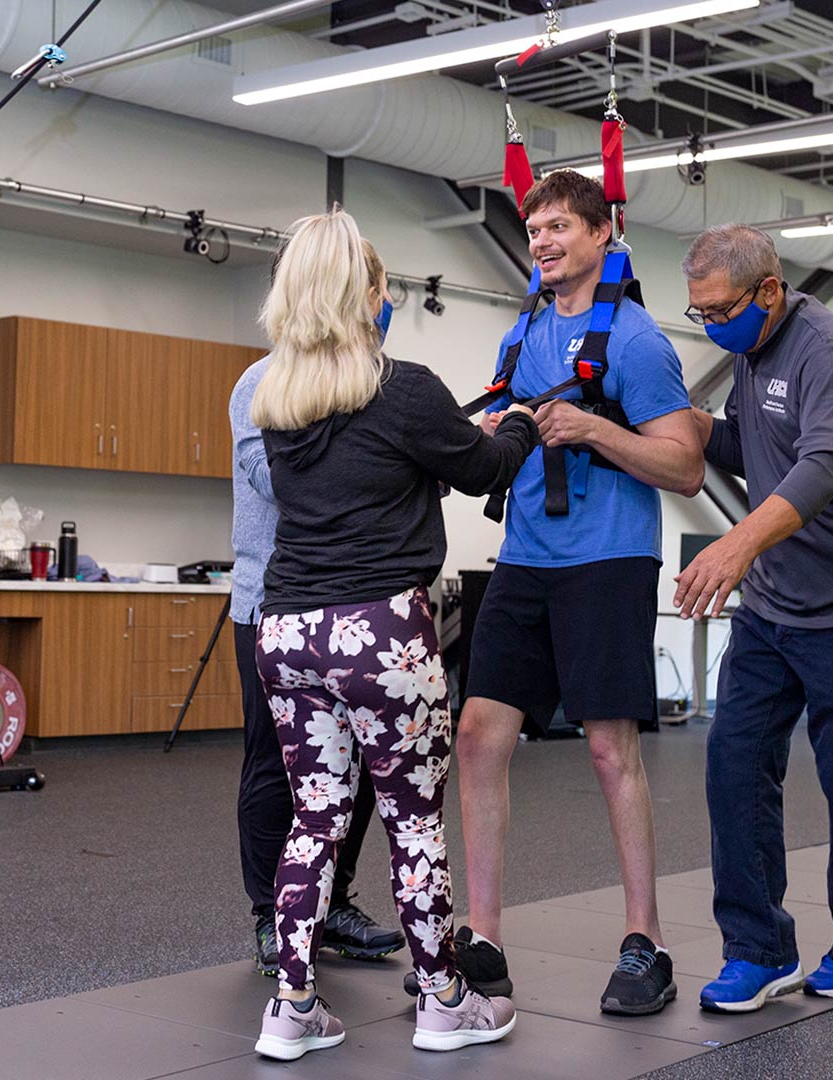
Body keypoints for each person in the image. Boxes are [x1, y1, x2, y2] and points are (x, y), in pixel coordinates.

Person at [248, 209, 537, 1062]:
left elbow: (364, 473)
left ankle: (292, 1006)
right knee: (415, 822)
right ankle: (445, 1000)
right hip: (380, 633)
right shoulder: (401, 386)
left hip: (289, 631)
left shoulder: (277, 398)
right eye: (384, 288)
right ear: (363, 295)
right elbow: (480, 469)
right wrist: (514, 423)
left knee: (314, 821)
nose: (390, 301)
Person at [449, 170, 703, 1017]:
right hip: (526, 557)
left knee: (607, 749)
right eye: (534, 230)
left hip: (608, 560)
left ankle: (646, 942)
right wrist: (488, 433)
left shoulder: (634, 341)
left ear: (602, 236)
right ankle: (482, 936)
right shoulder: (519, 340)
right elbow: (501, 440)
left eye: (561, 226)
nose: (545, 241)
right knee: (480, 736)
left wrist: (595, 426)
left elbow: (686, 465)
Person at [674, 223, 833, 1013]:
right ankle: (757, 949)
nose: (712, 328)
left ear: (771, 292)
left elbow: (823, 463)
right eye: (699, 316)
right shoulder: (751, 353)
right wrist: (674, 423)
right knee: (734, 763)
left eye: (720, 312)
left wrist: (734, 547)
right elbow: (759, 445)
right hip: (776, 609)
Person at [230, 245, 402, 978]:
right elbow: (284, 485)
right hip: (272, 605)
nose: (377, 302)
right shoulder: (260, 382)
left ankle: (326, 901)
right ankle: (273, 915)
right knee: (279, 767)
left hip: (355, 607)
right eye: (369, 289)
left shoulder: (373, 383)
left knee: (357, 767)